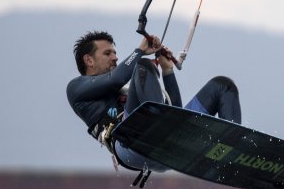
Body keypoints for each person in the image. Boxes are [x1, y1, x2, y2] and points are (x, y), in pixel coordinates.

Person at [66, 30, 242, 176]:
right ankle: (162, 133)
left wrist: (167, 71)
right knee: (144, 65)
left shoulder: (128, 91)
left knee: (223, 86)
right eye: (107, 53)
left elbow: (178, 114)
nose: (115, 58)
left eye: (115, 53)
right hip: (130, 146)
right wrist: (140, 50)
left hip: (165, 146)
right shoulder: (76, 88)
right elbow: (116, 79)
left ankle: (230, 150)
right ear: (89, 60)